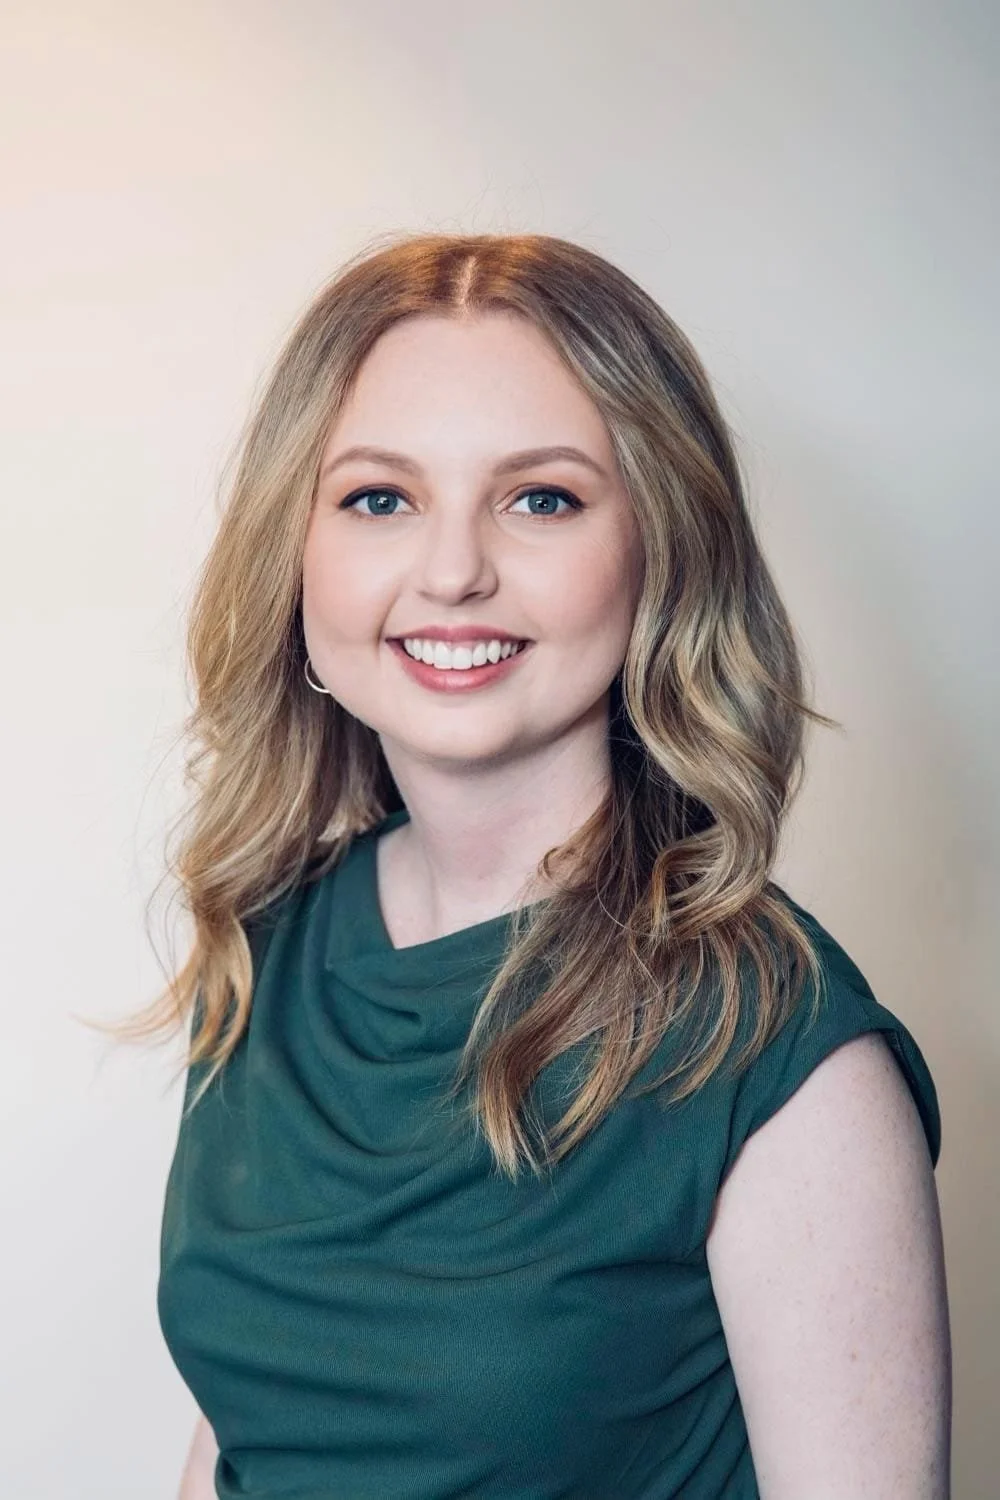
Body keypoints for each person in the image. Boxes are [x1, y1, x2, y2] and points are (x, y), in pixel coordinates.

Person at [133, 232, 950, 1497]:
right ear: (297, 559)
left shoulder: (777, 1054)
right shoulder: (271, 946)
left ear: (658, 551)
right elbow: (246, 1428)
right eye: (379, 499)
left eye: (541, 498)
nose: (453, 569)